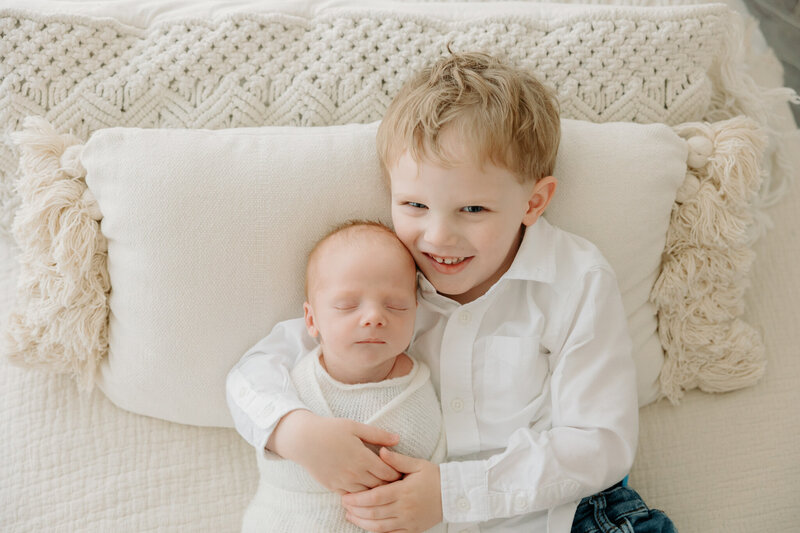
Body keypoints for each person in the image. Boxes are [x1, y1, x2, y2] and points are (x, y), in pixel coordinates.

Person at [227, 51, 676, 533]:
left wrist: (451, 494)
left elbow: (600, 443)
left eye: (473, 209)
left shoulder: (574, 278)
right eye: (415, 204)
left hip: (566, 516)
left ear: (534, 201)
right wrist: (293, 430)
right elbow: (255, 371)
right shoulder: (386, 278)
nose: (438, 237)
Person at [233, 220, 446, 533]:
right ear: (311, 318)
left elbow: (429, 488)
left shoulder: (422, 390)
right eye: (347, 305)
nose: (374, 317)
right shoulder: (290, 376)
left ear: (416, 310)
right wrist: (297, 434)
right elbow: (245, 387)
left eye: (396, 305)